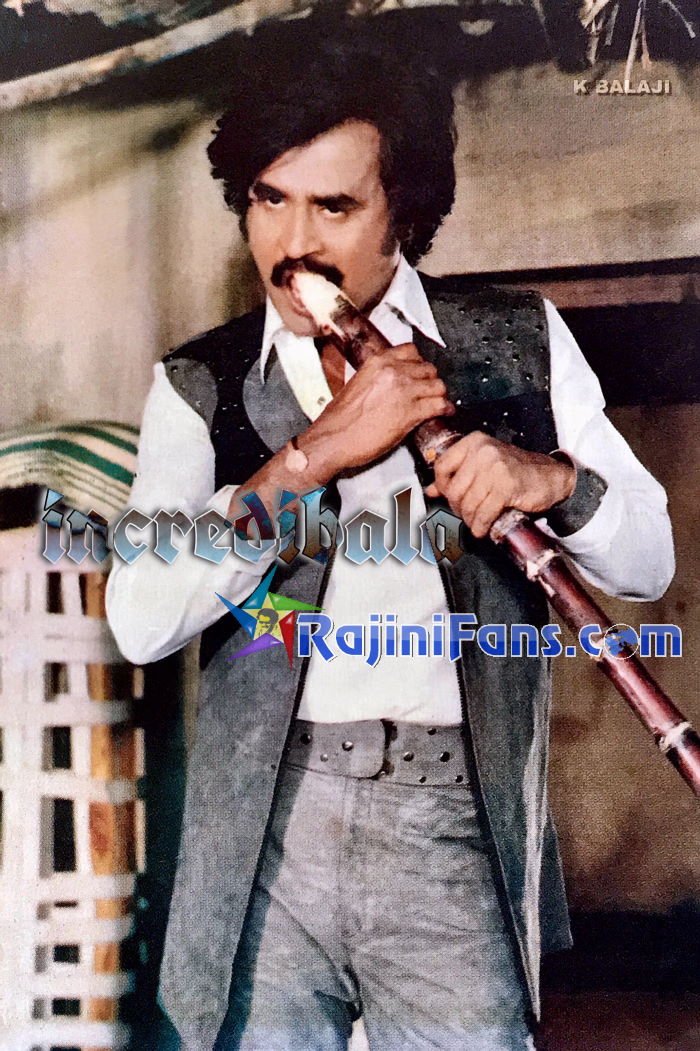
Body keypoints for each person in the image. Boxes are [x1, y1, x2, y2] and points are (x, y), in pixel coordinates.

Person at [106, 21, 674, 1051]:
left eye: (334, 205)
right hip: (262, 830)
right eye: (268, 199)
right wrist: (312, 456)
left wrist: (548, 480)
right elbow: (140, 618)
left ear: (403, 213)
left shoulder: (519, 340)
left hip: (452, 820)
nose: (293, 243)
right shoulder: (198, 383)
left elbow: (649, 561)